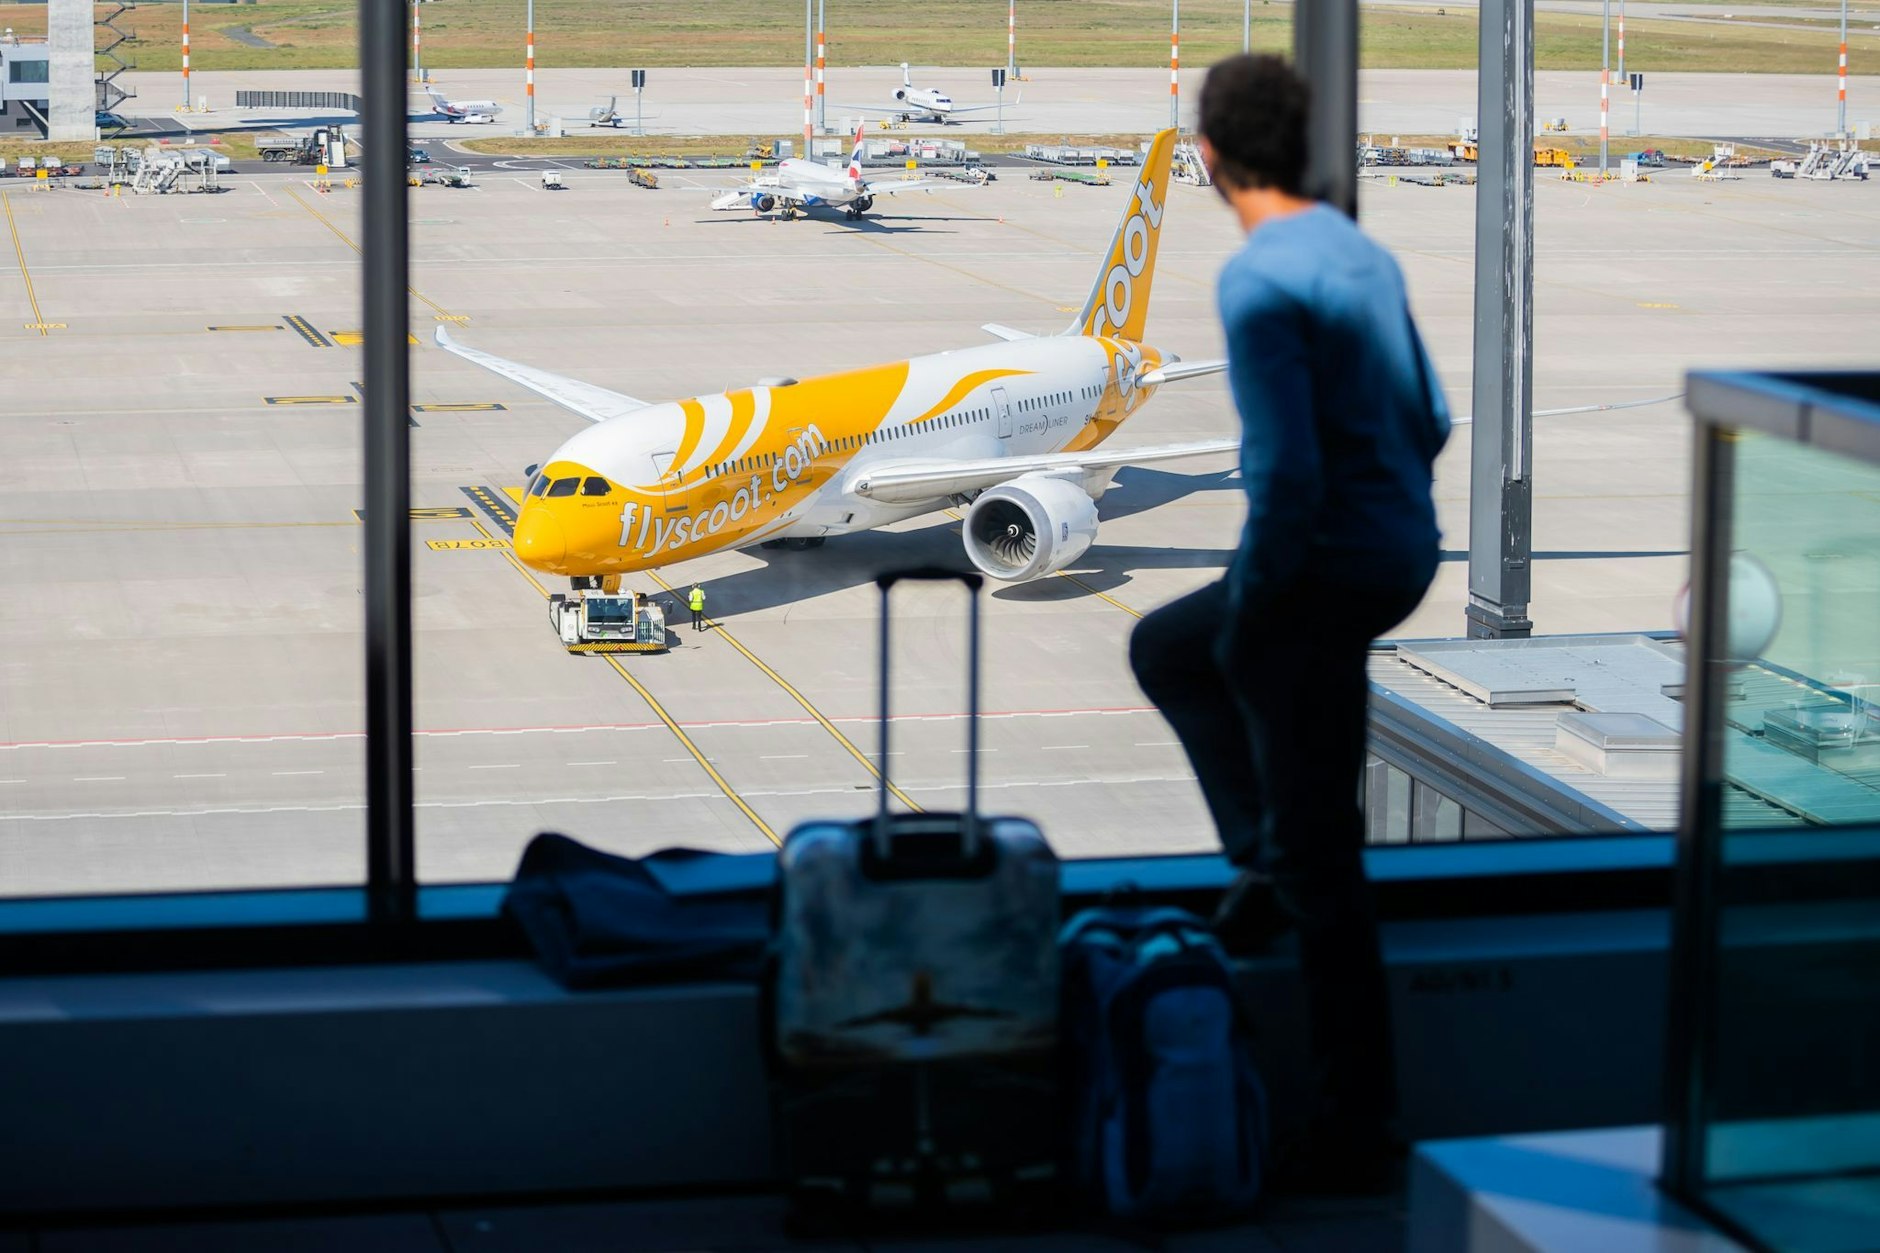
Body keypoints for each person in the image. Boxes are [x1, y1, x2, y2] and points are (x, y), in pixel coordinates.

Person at [1127, 54, 1450, 1193]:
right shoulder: (1360, 252)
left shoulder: (1259, 280)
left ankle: (1359, 1125)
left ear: (1208, 156)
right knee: (1175, 649)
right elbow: (1432, 417)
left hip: (1324, 563)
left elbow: (1285, 474)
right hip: (1397, 550)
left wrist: (1257, 603)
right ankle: (1265, 862)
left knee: (1318, 849)